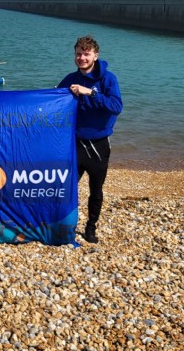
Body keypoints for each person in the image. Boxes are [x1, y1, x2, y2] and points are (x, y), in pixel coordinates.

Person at [57, 35, 122, 244]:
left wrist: (90, 93)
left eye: (86, 54)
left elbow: (116, 106)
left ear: (95, 55)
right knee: (66, 188)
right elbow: (52, 101)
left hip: (98, 145)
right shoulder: (70, 79)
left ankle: (91, 227)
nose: (82, 58)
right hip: (74, 144)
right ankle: (64, 225)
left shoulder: (108, 79)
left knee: (96, 189)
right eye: (78, 54)